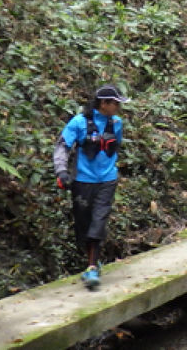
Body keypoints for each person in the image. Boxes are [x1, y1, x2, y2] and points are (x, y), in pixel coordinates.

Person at [53, 84, 130, 290]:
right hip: (83, 182)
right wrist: (61, 171)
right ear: (103, 103)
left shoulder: (117, 123)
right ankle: (91, 261)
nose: (118, 107)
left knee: (99, 219)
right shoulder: (78, 123)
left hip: (107, 180)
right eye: (115, 103)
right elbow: (62, 146)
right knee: (83, 223)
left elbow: (117, 146)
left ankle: (92, 267)